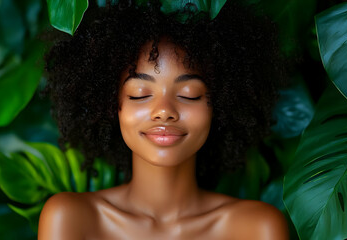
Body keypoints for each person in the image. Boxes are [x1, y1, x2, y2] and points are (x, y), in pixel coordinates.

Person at [38, 0, 289, 239]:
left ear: (222, 103)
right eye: (140, 94)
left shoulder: (256, 228)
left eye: (189, 95)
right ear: (109, 105)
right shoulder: (71, 218)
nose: (164, 110)